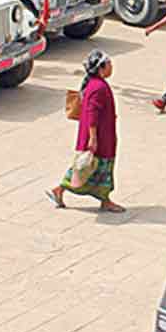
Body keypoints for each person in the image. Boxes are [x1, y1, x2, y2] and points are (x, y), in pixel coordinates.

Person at [47, 50, 124, 213]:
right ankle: (103, 200)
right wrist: (93, 138)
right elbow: (92, 114)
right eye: (109, 64)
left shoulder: (95, 84)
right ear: (101, 68)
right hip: (100, 137)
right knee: (90, 168)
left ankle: (63, 190)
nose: (112, 67)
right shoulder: (98, 88)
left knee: (86, 168)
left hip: (102, 135)